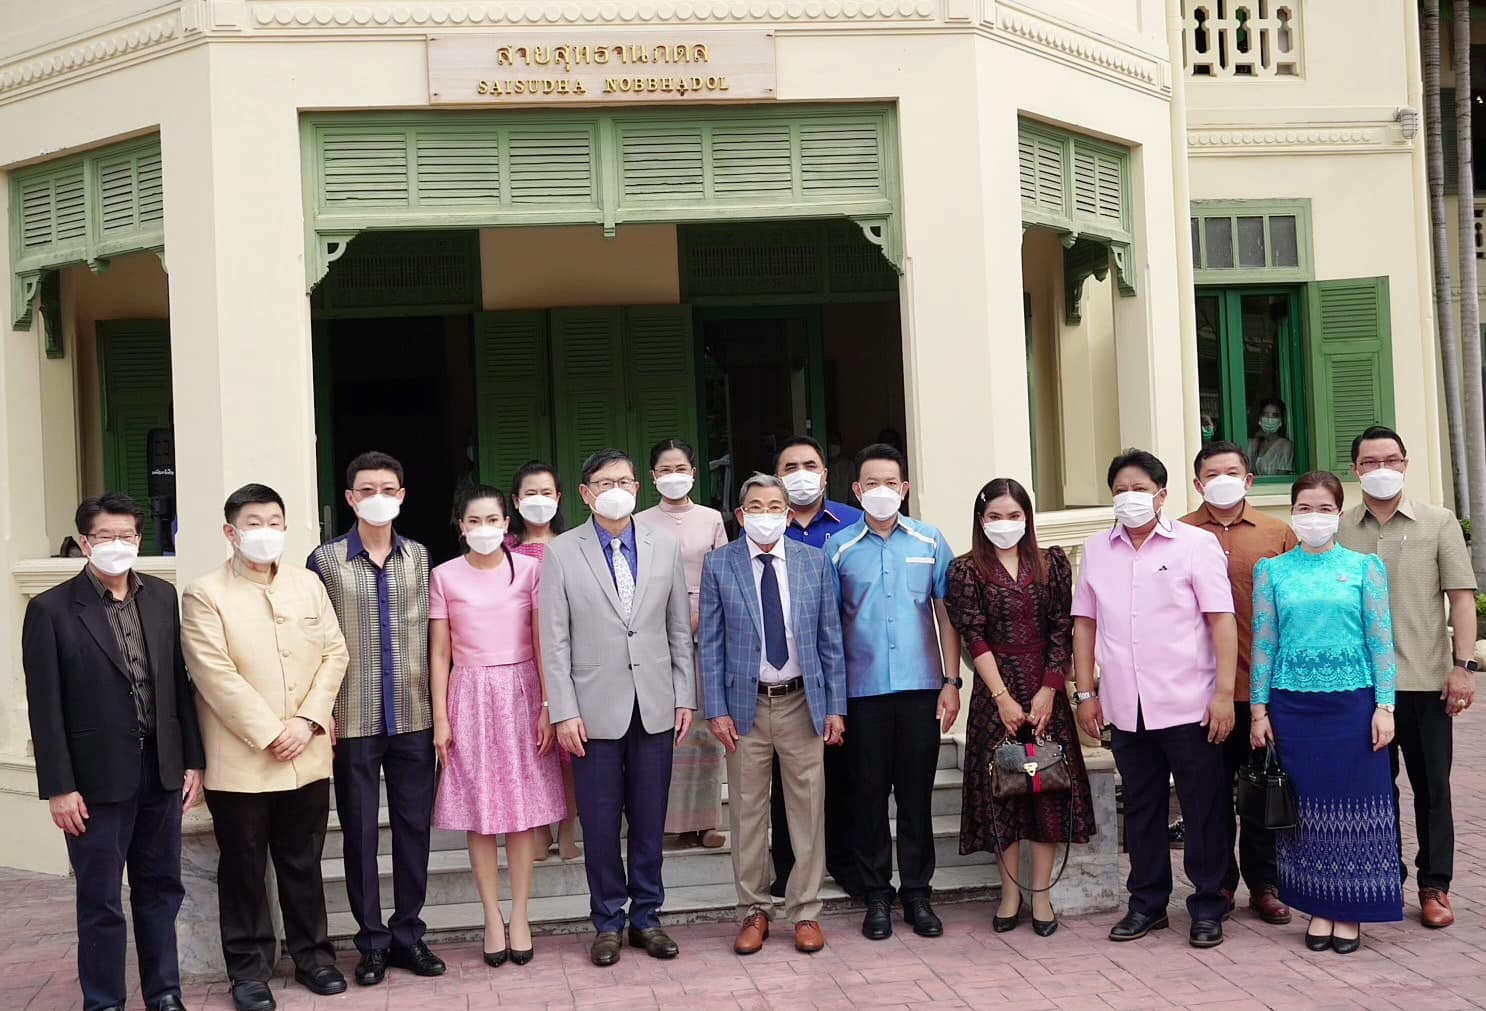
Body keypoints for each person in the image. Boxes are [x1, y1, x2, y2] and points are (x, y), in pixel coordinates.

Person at [23, 493, 204, 1011]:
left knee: (161, 889)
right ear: (86, 543)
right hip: (94, 780)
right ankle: (104, 1001)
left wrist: (193, 760)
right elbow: (45, 707)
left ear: (140, 540)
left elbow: (178, 686)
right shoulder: (51, 610)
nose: (117, 544)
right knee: (100, 898)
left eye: (127, 535)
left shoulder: (162, 597)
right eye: (106, 536)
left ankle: (164, 993)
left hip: (160, 770)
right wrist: (59, 787)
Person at [182, 484, 350, 1011]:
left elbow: (336, 654)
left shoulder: (308, 584)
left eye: (274, 522)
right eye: (253, 523)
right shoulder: (205, 593)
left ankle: (313, 957)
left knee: (303, 862)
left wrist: (307, 721)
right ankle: (249, 970)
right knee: (244, 868)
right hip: (242, 760)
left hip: (307, 752)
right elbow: (214, 674)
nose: (265, 532)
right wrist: (271, 732)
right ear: (231, 532)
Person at [1072, 449, 1237, 949]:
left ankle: (1209, 903)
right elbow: (1085, 624)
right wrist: (1086, 692)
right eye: (1120, 490)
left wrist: (1224, 695)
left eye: (1140, 489)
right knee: (1141, 808)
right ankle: (1146, 903)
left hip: (1190, 702)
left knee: (1203, 808)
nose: (1130, 498)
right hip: (1127, 705)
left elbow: (1221, 620)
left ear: (1162, 495)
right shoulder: (1096, 550)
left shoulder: (1196, 544)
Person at [540, 449, 696, 967]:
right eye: (605, 482)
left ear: (637, 488)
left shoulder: (663, 546)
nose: (617, 490)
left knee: (650, 819)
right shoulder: (562, 552)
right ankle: (607, 920)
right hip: (591, 711)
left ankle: (647, 917)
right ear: (585, 493)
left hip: (655, 704)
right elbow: (554, 640)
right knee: (601, 824)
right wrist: (563, 710)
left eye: (625, 481)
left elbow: (677, 629)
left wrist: (684, 695)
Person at [307, 452, 443, 986]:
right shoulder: (325, 561)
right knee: (360, 834)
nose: (378, 497)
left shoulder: (421, 558)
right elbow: (315, 641)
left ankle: (409, 935)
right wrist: (322, 715)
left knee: (413, 830)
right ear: (350, 498)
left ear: (402, 495)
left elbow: (436, 636)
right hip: (353, 718)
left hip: (413, 714)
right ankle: (371, 943)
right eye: (367, 489)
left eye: (388, 488)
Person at [1251, 470, 1402, 953]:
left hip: (1353, 706)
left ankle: (1351, 908)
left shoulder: (1364, 568)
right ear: (1291, 512)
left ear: (1338, 514)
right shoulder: (1272, 571)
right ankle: (1318, 905)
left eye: (1324, 509)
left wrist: (1385, 707)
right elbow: (1264, 643)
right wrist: (1259, 710)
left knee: (1357, 805)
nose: (1313, 517)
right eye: (1304, 508)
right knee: (1307, 811)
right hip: (1293, 707)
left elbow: (1381, 641)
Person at [699, 473, 848, 955]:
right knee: (746, 813)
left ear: (787, 514)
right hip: (745, 706)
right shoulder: (720, 564)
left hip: (803, 702)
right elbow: (711, 644)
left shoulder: (813, 562)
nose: (767, 515)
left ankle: (805, 911)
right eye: (757, 507)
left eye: (775, 507)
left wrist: (836, 707)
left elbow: (830, 639)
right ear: (741, 516)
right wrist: (715, 709)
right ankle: (754, 909)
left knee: (808, 811)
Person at [1338, 426, 1477, 929]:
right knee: (1375, 790)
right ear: (1355, 470)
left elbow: (1461, 597)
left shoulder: (1438, 523)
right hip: (1361, 685)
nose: (1381, 470)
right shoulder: (1340, 529)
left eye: (1390, 460)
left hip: (1424, 680)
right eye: (1370, 462)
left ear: (1405, 463)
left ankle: (1435, 885)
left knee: (1432, 788)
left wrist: (1463, 666)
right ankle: (1384, 878)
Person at [945, 478, 1094, 937]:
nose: (1005, 524)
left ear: (1027, 518)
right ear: (981, 520)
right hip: (996, 692)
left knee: (1046, 789)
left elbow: (1062, 628)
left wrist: (1050, 689)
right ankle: (1009, 894)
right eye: (995, 516)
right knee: (1003, 793)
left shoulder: (1051, 563)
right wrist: (1003, 698)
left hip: (1046, 690)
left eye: (1014, 515)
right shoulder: (965, 569)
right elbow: (973, 636)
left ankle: (1042, 896)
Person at [830, 443, 962, 940]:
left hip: (921, 689)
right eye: (872, 484)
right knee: (867, 797)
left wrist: (951, 682)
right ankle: (876, 896)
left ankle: (918, 894)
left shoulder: (930, 541)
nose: (881, 491)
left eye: (890, 483)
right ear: (856, 490)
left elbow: (947, 614)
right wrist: (834, 700)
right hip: (861, 694)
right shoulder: (838, 548)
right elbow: (828, 628)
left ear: (904, 489)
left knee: (915, 796)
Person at [431, 484, 566, 966]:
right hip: (469, 694)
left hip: (522, 691)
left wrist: (548, 704)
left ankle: (522, 914)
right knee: (482, 812)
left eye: (493, 520)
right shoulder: (444, 575)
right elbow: (440, 652)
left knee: (523, 812)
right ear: (461, 526)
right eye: (474, 521)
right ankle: (491, 916)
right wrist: (441, 718)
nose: (484, 529)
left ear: (507, 523)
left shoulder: (530, 570)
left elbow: (543, 640)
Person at [1180, 441, 1298, 925]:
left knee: (1262, 788)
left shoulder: (1277, 533)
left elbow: (1294, 608)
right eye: (1213, 474)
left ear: (1249, 480)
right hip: (1199, 691)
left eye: (1232, 472)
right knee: (1207, 796)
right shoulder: (1179, 534)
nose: (1223, 481)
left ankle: (1264, 883)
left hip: (1261, 689)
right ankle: (1218, 883)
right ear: (1197, 483)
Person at [772, 435, 863, 897]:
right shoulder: (766, 526)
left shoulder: (854, 523)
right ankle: (787, 868)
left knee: (841, 775)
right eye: (790, 467)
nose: (801, 475)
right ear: (777, 478)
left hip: (843, 668)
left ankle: (843, 862)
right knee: (783, 779)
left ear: (826, 475)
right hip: (786, 673)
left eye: (809, 465)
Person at [636, 438, 730, 850]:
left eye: (680, 469)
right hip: (653, 632)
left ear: (693, 472)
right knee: (666, 730)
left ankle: (707, 822)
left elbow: (724, 575)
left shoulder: (711, 519)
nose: (673, 476)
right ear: (652, 476)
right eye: (665, 470)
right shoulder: (639, 522)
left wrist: (698, 618)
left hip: (706, 632)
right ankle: (667, 821)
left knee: (706, 731)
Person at [506, 460, 581, 862]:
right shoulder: (504, 550)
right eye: (530, 493)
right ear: (516, 501)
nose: (539, 500)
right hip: (521, 659)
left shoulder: (574, 546)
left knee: (569, 750)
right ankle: (538, 829)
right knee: (533, 748)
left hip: (569, 657)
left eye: (546, 493)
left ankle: (568, 830)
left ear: (559, 498)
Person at [1248, 398, 1296, 476]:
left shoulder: (1285, 446)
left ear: (1281, 419)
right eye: (1265, 414)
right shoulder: (1252, 444)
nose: (1270, 419)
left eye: (1275, 415)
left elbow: (1281, 478)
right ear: (1259, 418)